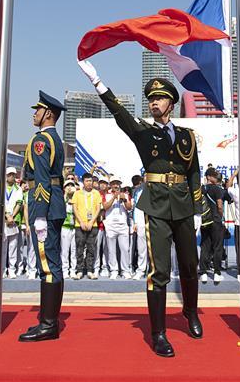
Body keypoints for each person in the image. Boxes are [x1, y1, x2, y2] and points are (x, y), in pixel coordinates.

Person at [79, 60, 204, 358]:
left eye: (158, 98)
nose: (153, 102)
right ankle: (158, 333)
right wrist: (98, 82)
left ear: (171, 103)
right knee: (158, 271)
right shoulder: (143, 132)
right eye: (150, 99)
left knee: (189, 265)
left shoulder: (186, 134)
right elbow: (118, 112)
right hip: (158, 206)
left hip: (184, 206)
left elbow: (194, 171)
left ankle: (190, 312)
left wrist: (198, 208)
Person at [18, 91, 67, 342]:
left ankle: (48, 325)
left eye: (37, 110)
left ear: (48, 113)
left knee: (47, 265)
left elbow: (41, 180)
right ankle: (49, 321)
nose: (34, 114)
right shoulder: (54, 138)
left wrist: (38, 214)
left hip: (45, 208)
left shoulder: (41, 140)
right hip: (55, 205)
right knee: (53, 263)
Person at [103, 179, 133, 280]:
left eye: (117, 184)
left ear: (120, 184)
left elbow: (129, 208)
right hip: (111, 225)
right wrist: (114, 198)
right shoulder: (106, 195)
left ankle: (125, 270)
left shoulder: (125, 194)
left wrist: (124, 199)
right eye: (114, 184)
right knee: (111, 250)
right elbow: (105, 207)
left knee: (125, 249)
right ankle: (114, 270)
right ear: (110, 185)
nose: (116, 185)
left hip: (123, 225)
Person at [72, 174, 101, 279]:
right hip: (79, 225)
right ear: (83, 182)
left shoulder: (96, 193)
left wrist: (91, 221)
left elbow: (98, 209)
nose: (89, 183)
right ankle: (79, 270)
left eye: (91, 181)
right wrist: (81, 222)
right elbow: (75, 209)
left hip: (92, 225)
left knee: (91, 248)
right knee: (79, 247)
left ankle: (90, 270)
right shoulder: (77, 193)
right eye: (87, 181)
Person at [1, 167, 24, 278]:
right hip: (3, 220)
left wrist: (12, 216)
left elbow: (19, 203)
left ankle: (12, 269)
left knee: (13, 247)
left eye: (13, 175)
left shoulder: (18, 188)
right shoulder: (1, 187)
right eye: (10, 174)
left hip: (14, 220)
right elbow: (0, 202)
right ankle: (2, 269)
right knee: (3, 247)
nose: (12, 176)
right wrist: (6, 214)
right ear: (6, 175)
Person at [61, 179, 78, 278]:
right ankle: (64, 270)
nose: (70, 187)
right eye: (67, 185)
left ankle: (73, 270)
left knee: (74, 250)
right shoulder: (62, 198)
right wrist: (66, 195)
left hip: (75, 227)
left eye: (72, 185)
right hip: (65, 227)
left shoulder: (77, 199)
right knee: (65, 250)